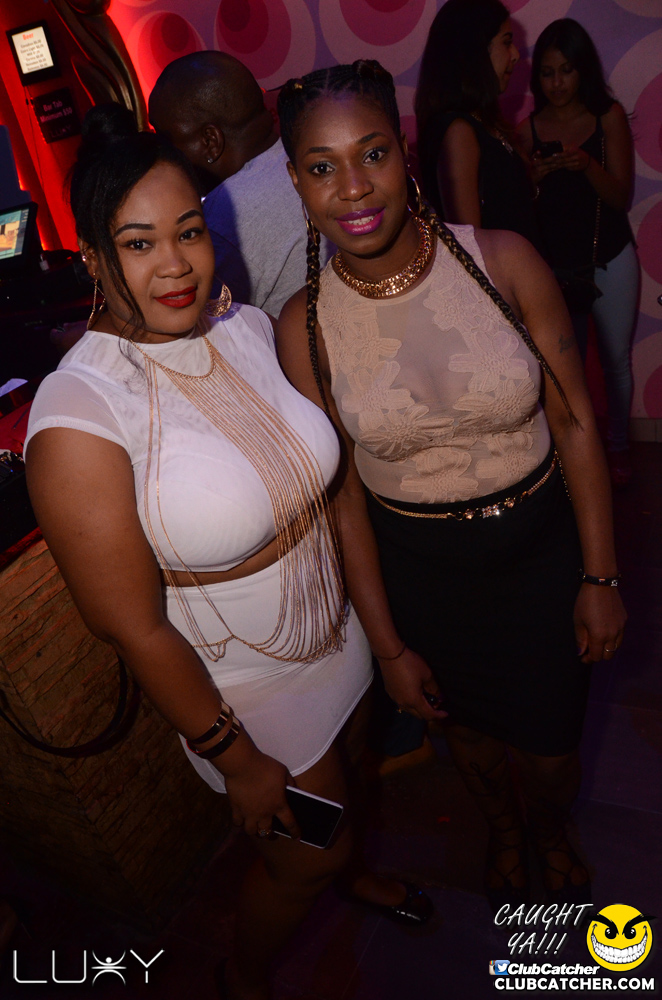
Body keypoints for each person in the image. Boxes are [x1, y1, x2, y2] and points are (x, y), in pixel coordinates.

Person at [24, 105, 434, 1000]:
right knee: (303, 861)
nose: (176, 264)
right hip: (247, 687)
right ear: (92, 259)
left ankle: (355, 872)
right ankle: (242, 978)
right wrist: (234, 757)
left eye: (188, 232)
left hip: (337, 633)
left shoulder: (244, 326)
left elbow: (330, 491)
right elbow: (131, 628)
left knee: (353, 789)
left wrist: (383, 639)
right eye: (138, 244)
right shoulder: (80, 412)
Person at [276, 60, 626, 908]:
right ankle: (503, 831)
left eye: (372, 154)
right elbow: (342, 496)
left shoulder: (503, 261)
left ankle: (549, 826)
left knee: (553, 752)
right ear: (296, 181)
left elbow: (576, 423)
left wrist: (601, 575)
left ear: (406, 152)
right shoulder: (302, 327)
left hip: (542, 552)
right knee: (465, 736)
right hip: (421, 571)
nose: (353, 187)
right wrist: (389, 646)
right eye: (322, 167)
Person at [517, 19, 638, 487]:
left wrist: (586, 164)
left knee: (615, 362)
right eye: (547, 72)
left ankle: (620, 449)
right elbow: (516, 210)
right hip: (555, 268)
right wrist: (535, 179)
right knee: (564, 370)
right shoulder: (525, 130)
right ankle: (573, 459)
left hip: (610, 256)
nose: (557, 83)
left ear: (582, 70)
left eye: (566, 70)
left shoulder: (608, 117)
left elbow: (620, 197)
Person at [148, 51, 332, 318]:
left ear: (210, 142)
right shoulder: (300, 158)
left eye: (166, 139)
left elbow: (192, 328)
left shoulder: (226, 215)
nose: (163, 154)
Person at [415, 0, 539, 248]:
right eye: (506, 42)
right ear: (476, 51)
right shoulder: (458, 131)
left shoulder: (484, 122)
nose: (516, 55)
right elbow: (469, 244)